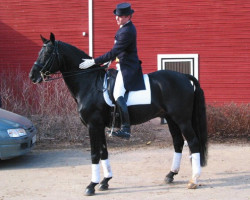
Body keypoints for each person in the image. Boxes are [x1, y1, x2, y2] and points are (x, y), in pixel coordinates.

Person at [79, 2, 145, 139]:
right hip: (121, 65)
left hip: (128, 68)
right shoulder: (124, 28)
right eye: (116, 16)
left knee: (117, 93)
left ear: (127, 16)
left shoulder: (127, 31)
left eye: (119, 16)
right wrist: (108, 61)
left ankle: (126, 128)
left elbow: (114, 51)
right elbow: (118, 52)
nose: (116, 18)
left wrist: (94, 61)